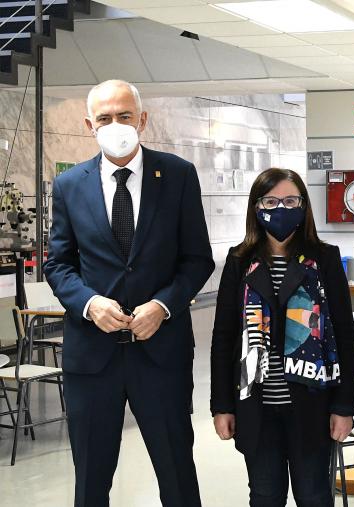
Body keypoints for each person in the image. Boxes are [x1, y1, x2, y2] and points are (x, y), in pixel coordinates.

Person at [44, 80, 214, 507]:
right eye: (104, 118)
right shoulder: (69, 186)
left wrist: (162, 306)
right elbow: (58, 264)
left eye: (124, 115)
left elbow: (197, 259)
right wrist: (88, 302)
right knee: (91, 480)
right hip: (92, 358)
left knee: (177, 473)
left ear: (142, 119)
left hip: (161, 353)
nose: (115, 125)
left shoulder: (177, 175)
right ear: (89, 125)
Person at [210, 168, 354, 506]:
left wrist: (344, 405)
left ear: (303, 206)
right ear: (256, 206)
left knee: (315, 496)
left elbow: (345, 337)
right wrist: (222, 405)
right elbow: (224, 337)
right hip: (256, 407)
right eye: (271, 201)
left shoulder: (324, 258)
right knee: (264, 496)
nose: (281, 209)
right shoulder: (239, 261)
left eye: (290, 200)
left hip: (313, 406)